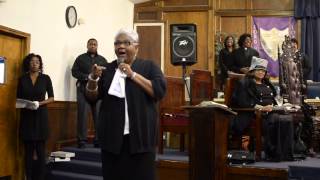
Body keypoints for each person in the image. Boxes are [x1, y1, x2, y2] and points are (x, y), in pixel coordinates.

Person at [85, 28, 166, 180]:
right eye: (117, 43)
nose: (120, 46)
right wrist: (92, 78)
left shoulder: (149, 66)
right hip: (112, 142)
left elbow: (159, 91)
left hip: (141, 140)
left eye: (126, 43)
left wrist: (132, 75)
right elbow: (91, 98)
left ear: (136, 47)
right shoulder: (107, 69)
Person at [231, 57, 294, 161]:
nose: (261, 72)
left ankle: (285, 153)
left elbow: (273, 100)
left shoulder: (267, 84)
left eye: (263, 70)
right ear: (252, 71)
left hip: (270, 112)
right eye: (259, 70)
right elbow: (242, 102)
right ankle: (273, 153)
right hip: (253, 115)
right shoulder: (244, 83)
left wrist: (280, 106)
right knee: (275, 119)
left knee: (287, 118)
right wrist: (261, 108)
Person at [17, 53, 54, 180]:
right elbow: (18, 99)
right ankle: (28, 177)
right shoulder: (22, 79)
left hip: (41, 117)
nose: (35, 63)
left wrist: (40, 103)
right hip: (27, 117)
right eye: (32, 61)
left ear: (40, 64)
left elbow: (51, 98)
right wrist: (25, 104)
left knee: (40, 152)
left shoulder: (45, 78)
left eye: (37, 61)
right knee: (28, 153)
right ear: (28, 63)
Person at [71, 38, 107, 148]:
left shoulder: (103, 60)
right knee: (82, 115)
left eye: (95, 44)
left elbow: (107, 74)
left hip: (98, 91)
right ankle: (82, 140)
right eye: (90, 44)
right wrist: (88, 77)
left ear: (97, 46)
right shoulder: (80, 58)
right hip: (83, 90)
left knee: (99, 116)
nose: (92, 46)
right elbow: (74, 71)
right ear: (87, 46)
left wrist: (101, 74)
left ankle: (98, 140)